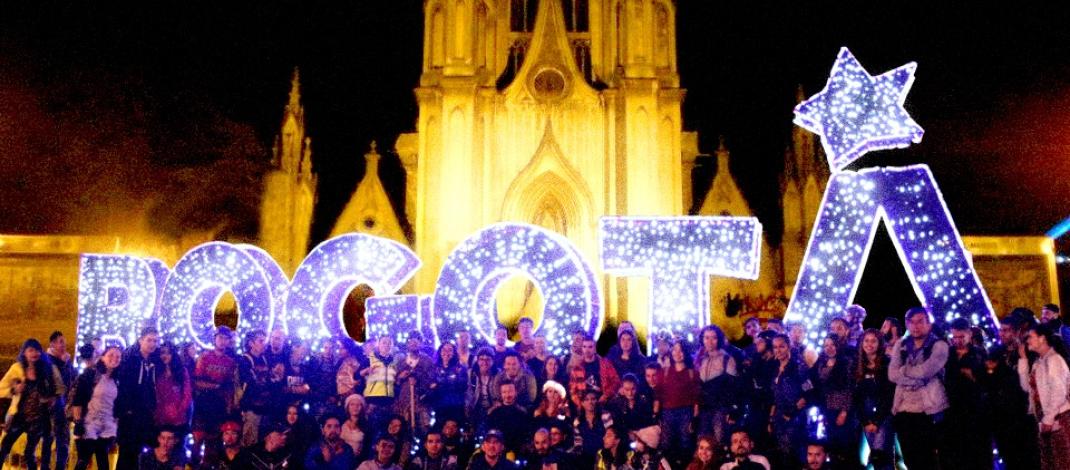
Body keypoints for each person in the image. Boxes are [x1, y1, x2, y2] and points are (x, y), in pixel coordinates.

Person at [889, 307, 949, 470]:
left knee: (929, 459)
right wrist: (915, 377)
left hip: (929, 410)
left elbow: (926, 371)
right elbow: (892, 375)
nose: (915, 326)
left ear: (928, 324)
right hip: (903, 409)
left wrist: (905, 371)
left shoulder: (939, 345)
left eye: (920, 322)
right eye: (911, 322)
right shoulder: (901, 345)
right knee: (910, 459)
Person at [983, 315, 1040, 470]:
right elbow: (989, 378)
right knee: (1008, 455)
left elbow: (1029, 380)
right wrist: (988, 370)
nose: (1002, 334)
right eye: (1001, 330)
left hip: (1022, 412)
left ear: (1016, 332)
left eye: (1006, 330)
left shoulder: (1028, 352)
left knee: (1027, 455)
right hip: (1000, 413)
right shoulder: (996, 352)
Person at [1018, 323, 1070, 470]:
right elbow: (1026, 387)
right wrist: (1023, 359)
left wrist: (1048, 418)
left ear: (1042, 339)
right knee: (1052, 463)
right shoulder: (1038, 362)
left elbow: (1058, 392)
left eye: (1030, 337)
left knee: (1063, 462)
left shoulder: (1054, 360)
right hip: (1046, 419)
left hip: (1058, 418)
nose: (1027, 340)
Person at [943, 318, 990, 470]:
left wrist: (973, 375)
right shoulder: (947, 354)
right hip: (952, 409)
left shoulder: (979, 353)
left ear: (969, 334)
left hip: (976, 409)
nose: (957, 341)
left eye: (961, 337)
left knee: (979, 453)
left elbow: (987, 379)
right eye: (954, 337)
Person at [69, 345, 121, 470]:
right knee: (84, 460)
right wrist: (78, 423)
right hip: (89, 424)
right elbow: (78, 400)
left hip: (107, 425)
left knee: (103, 461)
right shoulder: (91, 375)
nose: (114, 358)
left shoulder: (117, 379)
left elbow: (117, 403)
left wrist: (116, 422)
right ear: (102, 357)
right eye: (111, 355)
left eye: (118, 356)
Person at [192, 326, 238, 466]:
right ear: (214, 339)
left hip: (219, 406)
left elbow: (230, 387)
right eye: (220, 338)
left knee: (215, 441)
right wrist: (215, 386)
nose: (223, 341)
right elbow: (197, 382)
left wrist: (229, 406)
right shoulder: (204, 357)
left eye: (226, 339)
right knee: (198, 440)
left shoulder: (230, 362)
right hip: (203, 404)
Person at [806, 334, 854, 466]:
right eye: (826, 345)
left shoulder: (847, 362)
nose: (829, 348)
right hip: (826, 408)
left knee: (843, 444)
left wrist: (844, 411)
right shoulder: (821, 362)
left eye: (832, 345)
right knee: (830, 444)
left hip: (841, 409)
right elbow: (811, 380)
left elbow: (849, 388)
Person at [117, 326, 161, 469]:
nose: (152, 344)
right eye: (149, 340)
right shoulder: (131, 358)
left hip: (144, 413)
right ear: (141, 340)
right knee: (126, 453)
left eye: (155, 341)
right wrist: (127, 409)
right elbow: (124, 384)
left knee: (137, 452)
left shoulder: (152, 360)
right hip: (130, 413)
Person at [853, 329, 894, 470]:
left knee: (881, 455)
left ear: (879, 344)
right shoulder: (857, 365)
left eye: (873, 341)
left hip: (883, 416)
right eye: (866, 340)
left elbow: (889, 395)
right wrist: (865, 421)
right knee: (876, 458)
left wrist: (876, 421)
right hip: (866, 416)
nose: (869, 344)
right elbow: (856, 397)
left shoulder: (887, 364)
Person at [695, 325, 739, 445]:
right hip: (704, 408)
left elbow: (734, 388)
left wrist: (733, 410)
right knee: (703, 441)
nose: (709, 341)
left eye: (713, 338)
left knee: (719, 441)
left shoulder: (727, 359)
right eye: (707, 338)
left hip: (720, 407)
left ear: (719, 339)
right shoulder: (700, 359)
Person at [769, 334, 806, 469]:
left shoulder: (799, 367)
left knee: (792, 454)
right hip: (778, 417)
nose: (778, 350)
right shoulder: (774, 368)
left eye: (781, 346)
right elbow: (774, 396)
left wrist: (791, 413)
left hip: (794, 418)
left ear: (789, 347)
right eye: (775, 347)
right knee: (781, 453)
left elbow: (808, 393)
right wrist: (771, 418)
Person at [42, 330, 74, 470]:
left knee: (62, 440)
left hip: (63, 407)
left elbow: (73, 379)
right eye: (61, 342)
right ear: (52, 343)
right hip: (51, 407)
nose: (64, 345)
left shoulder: (65, 361)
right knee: (49, 439)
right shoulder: (47, 361)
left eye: (65, 343)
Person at [154, 341, 193, 455]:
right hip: (160, 419)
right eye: (162, 353)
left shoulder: (181, 371)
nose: (165, 356)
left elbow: (187, 394)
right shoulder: (155, 371)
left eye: (168, 353)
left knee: (177, 452)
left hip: (178, 419)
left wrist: (179, 410)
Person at [396, 330, 435, 436]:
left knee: (424, 433)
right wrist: (400, 377)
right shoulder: (401, 362)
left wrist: (419, 379)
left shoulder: (427, 361)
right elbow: (395, 384)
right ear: (407, 343)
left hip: (422, 404)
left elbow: (432, 382)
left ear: (421, 343)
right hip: (404, 404)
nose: (414, 343)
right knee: (404, 434)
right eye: (411, 341)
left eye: (417, 340)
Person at [362, 335, 401, 424]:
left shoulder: (394, 362)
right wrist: (366, 371)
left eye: (389, 343)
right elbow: (357, 375)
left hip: (389, 401)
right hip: (373, 400)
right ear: (378, 344)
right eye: (384, 342)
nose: (386, 345)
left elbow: (394, 380)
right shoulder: (370, 359)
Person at [429, 341, 468, 425]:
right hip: (439, 406)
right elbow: (431, 386)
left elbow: (461, 385)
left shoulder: (460, 368)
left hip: (456, 406)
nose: (446, 352)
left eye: (449, 350)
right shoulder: (434, 368)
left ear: (454, 353)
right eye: (444, 350)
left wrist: (441, 383)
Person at [485, 381, 529, 453]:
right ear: (501, 394)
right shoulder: (494, 413)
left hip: (517, 451)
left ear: (515, 392)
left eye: (510, 391)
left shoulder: (522, 413)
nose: (507, 395)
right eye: (504, 392)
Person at [465, 347, 497, 434]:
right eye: (481, 359)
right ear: (477, 360)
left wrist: (494, 407)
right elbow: (468, 394)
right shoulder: (471, 374)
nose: (485, 362)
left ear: (492, 361)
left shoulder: (498, 374)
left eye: (488, 359)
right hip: (476, 407)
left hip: (493, 408)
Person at [341, 393, 370, 459]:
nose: (355, 407)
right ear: (347, 407)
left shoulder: (366, 426)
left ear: (362, 407)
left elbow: (367, 447)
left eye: (358, 405)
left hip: (357, 459)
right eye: (352, 404)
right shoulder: (341, 422)